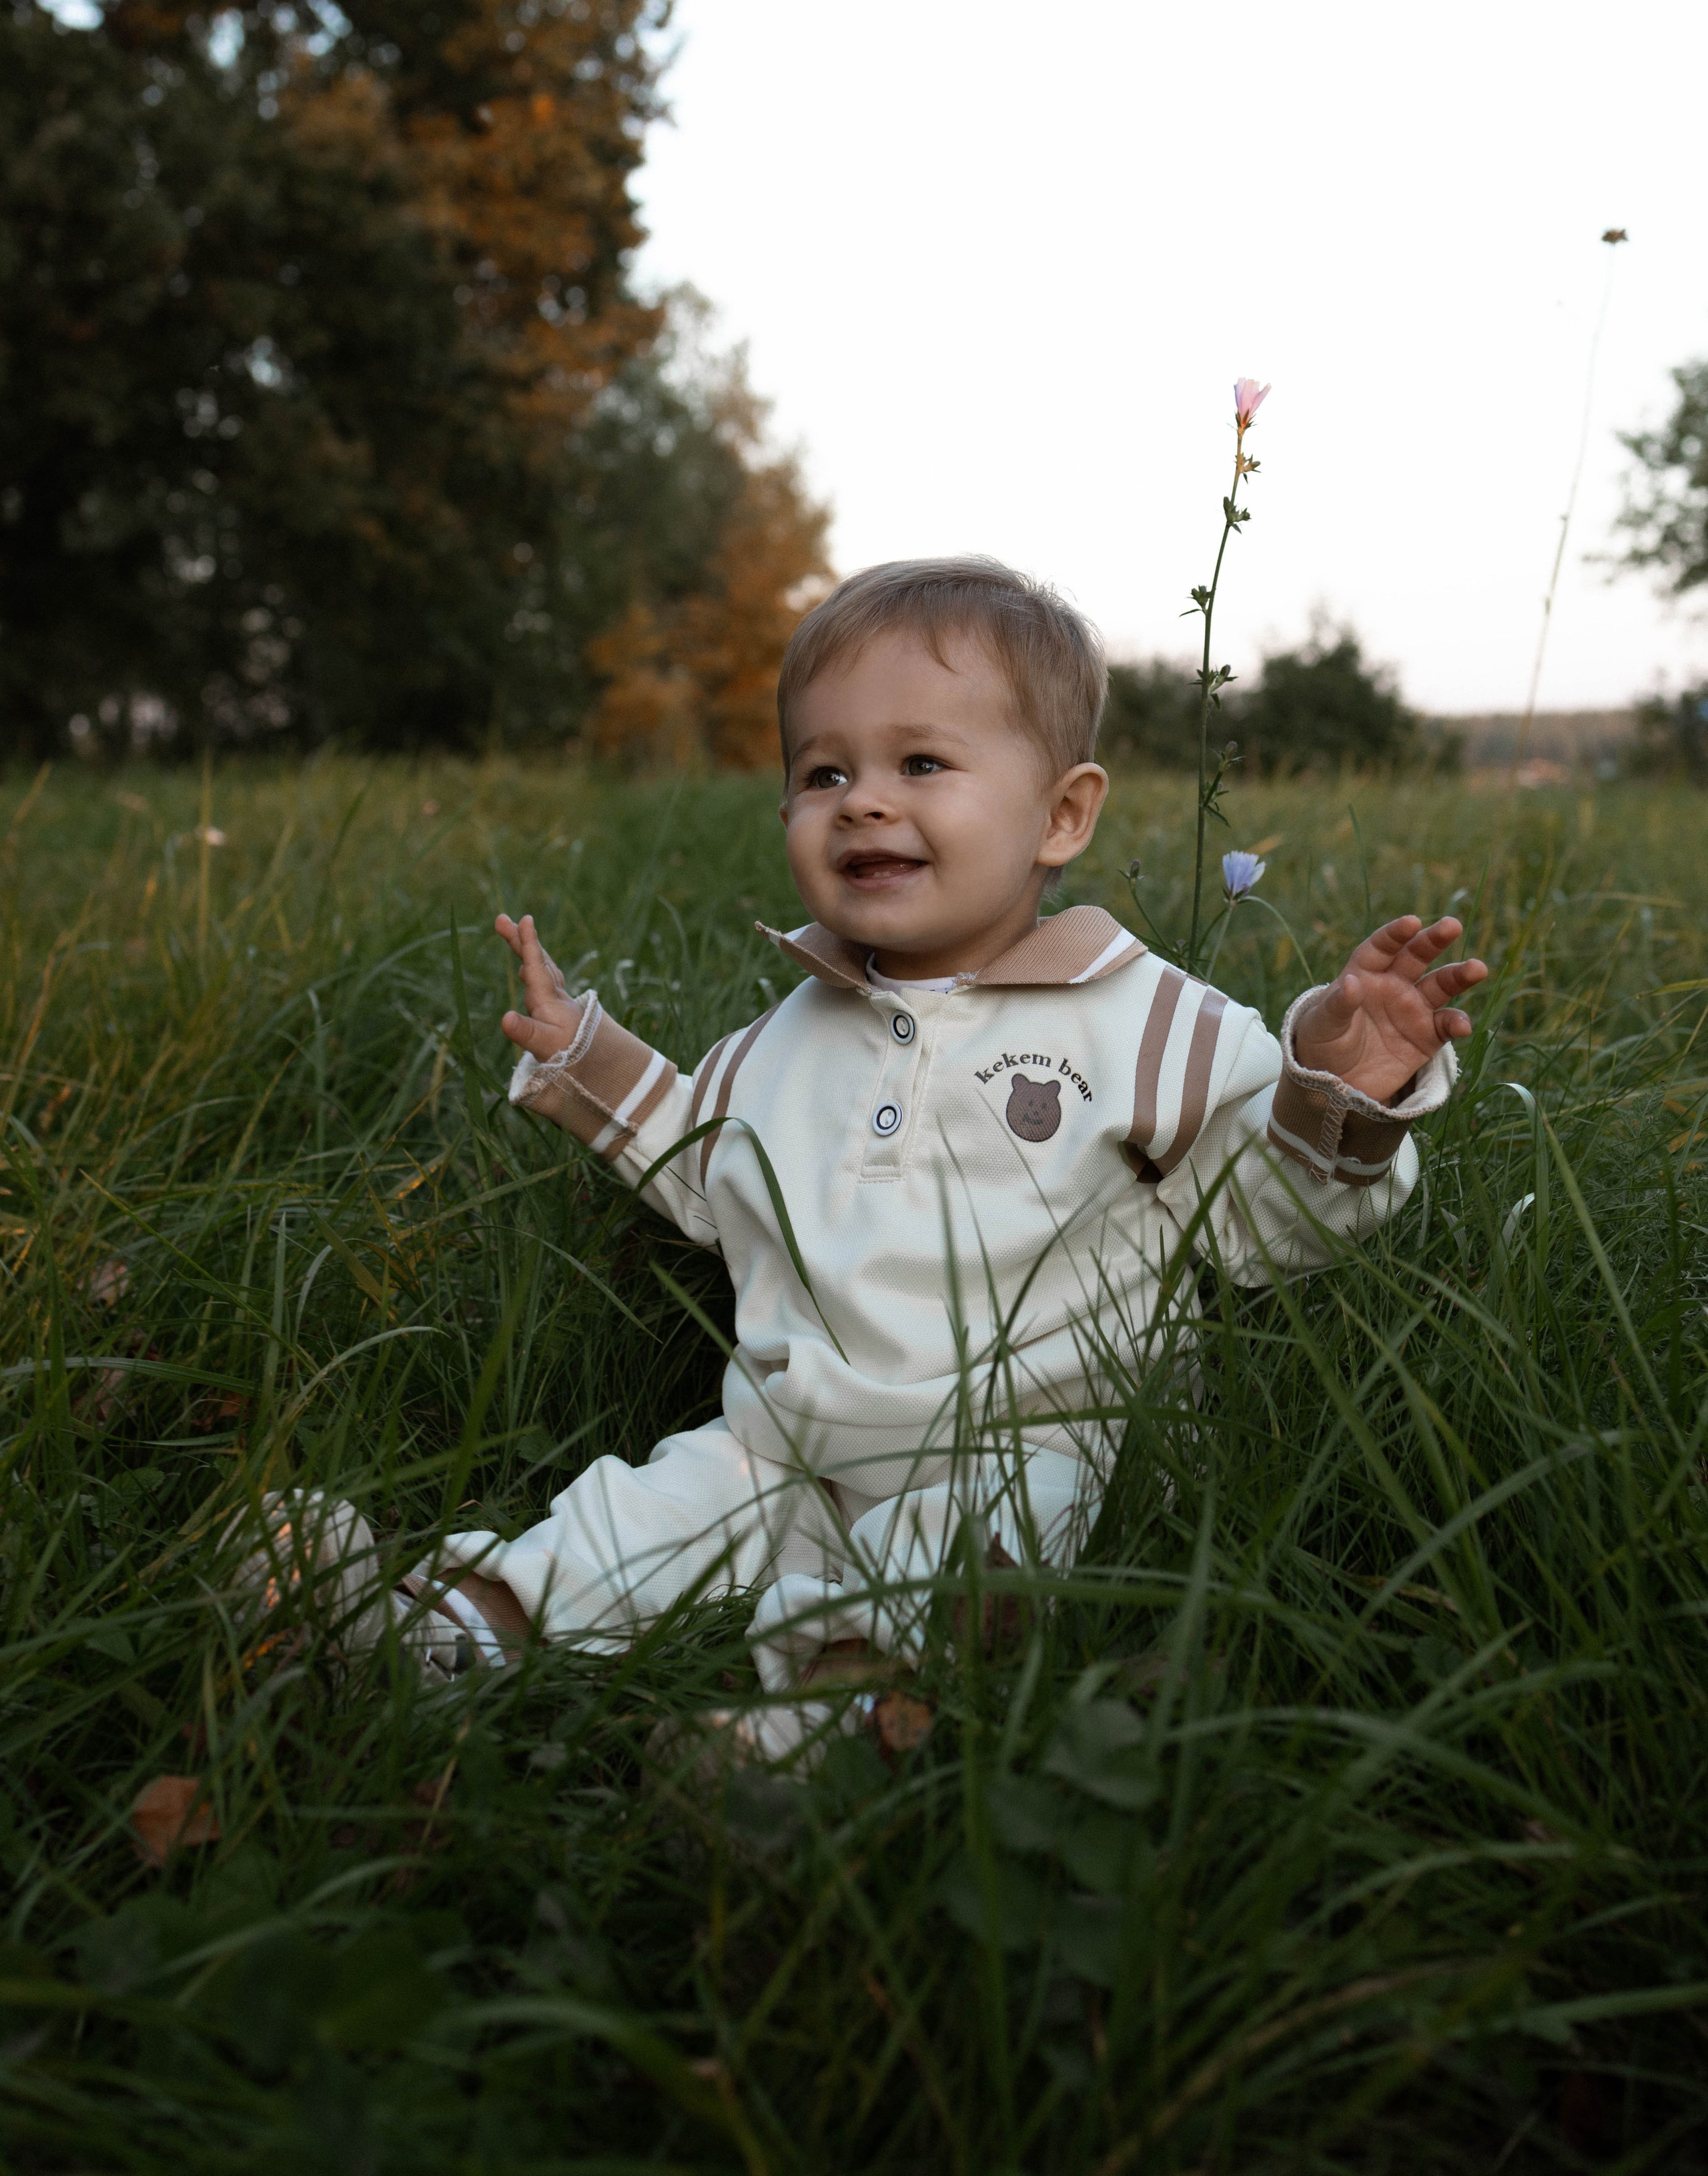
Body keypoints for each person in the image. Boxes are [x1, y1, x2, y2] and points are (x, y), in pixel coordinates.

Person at [242, 559, 1485, 1749]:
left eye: (923, 762)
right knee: (650, 1509)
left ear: (1063, 814)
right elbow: (711, 1169)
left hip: (1036, 1455)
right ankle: (442, 1634)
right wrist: (591, 1063)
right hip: (788, 1445)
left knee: (959, 1572)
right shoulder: (796, 1028)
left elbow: (1261, 1227)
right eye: (823, 770)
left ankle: (828, 1738)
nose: (865, 800)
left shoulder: (1149, 1021)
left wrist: (1338, 1089)